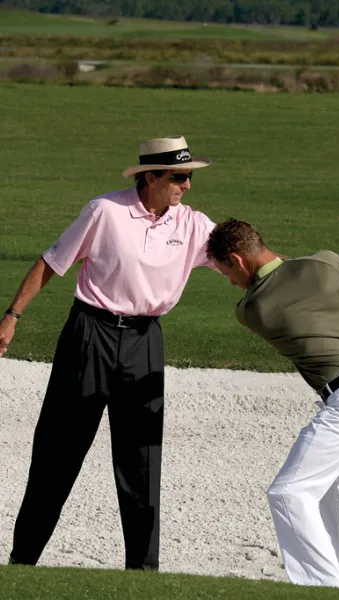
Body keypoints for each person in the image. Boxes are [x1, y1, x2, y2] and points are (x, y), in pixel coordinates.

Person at [0, 135, 217, 570]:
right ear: (150, 176)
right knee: (58, 451)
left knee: (142, 459)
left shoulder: (192, 224)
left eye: (190, 176)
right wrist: (12, 316)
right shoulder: (105, 211)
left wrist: (326, 267)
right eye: (179, 177)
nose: (187, 186)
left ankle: (142, 574)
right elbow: (52, 262)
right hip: (89, 335)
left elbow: (246, 256)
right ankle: (22, 564)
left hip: (145, 341)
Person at [206, 218, 339, 591]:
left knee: (289, 493)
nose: (229, 281)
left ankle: (326, 588)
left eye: (224, 272)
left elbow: (286, 278)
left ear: (236, 259)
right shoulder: (328, 262)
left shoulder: (252, 309)